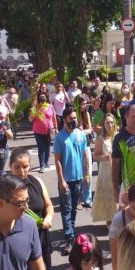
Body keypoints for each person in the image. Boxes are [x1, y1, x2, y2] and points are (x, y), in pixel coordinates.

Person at [9, 150, 54, 270]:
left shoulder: (37, 181)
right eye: (17, 167)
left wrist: (48, 219)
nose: (21, 171)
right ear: (10, 167)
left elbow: (49, 205)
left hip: (40, 236)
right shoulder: (6, 188)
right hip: (18, 239)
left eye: (25, 166)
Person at [54, 107, 91, 255]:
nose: (74, 121)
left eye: (75, 118)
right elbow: (57, 161)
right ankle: (69, 238)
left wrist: (87, 175)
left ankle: (71, 231)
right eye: (71, 119)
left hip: (78, 179)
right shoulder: (59, 137)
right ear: (65, 120)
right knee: (66, 209)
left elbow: (86, 156)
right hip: (65, 180)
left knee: (74, 208)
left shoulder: (81, 135)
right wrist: (61, 180)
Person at [92, 113, 119, 226]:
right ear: (103, 124)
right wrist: (104, 157)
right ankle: (109, 221)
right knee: (108, 197)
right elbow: (95, 155)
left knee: (117, 196)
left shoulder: (118, 137)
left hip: (118, 170)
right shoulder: (101, 139)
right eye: (107, 122)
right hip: (106, 171)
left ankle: (117, 219)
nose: (110, 125)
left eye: (112, 122)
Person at [30, 91, 57, 173]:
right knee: (41, 148)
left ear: (46, 98)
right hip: (38, 131)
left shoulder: (50, 106)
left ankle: (46, 161)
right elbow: (31, 119)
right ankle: (42, 165)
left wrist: (56, 128)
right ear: (38, 98)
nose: (42, 97)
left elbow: (54, 117)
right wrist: (34, 109)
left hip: (49, 130)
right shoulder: (36, 108)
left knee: (47, 147)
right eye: (41, 96)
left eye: (44, 96)